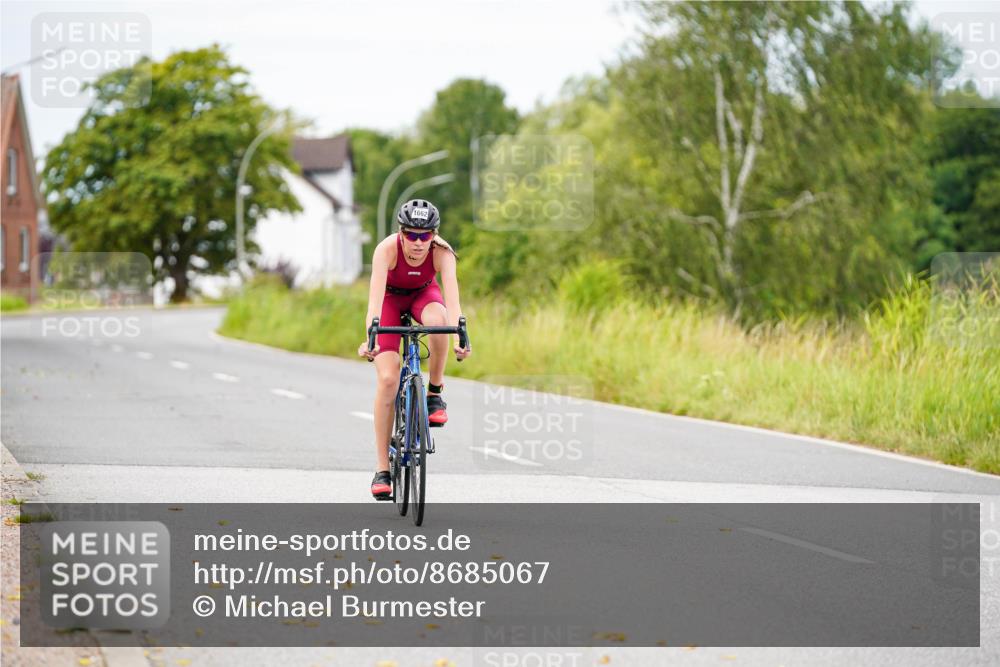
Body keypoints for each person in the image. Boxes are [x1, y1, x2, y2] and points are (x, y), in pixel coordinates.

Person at [358, 199, 471, 499]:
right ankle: (383, 469)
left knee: (439, 320)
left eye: (425, 236)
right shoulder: (386, 250)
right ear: (401, 232)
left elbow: (454, 301)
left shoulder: (443, 254)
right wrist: (371, 338)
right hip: (389, 301)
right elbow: (373, 302)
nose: (418, 243)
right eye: (411, 235)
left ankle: (434, 393)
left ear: (434, 235)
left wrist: (461, 336)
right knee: (387, 380)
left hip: (424, 295)